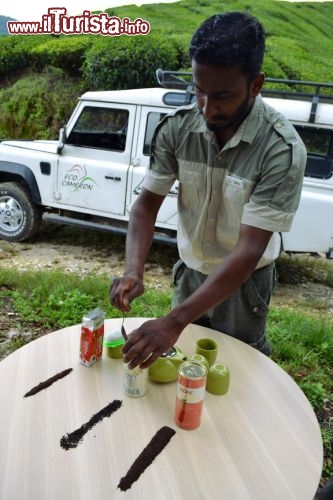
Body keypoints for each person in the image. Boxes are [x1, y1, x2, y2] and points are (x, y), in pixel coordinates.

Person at [110, 11, 307, 369]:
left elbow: (248, 252)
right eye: (199, 91)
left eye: (222, 96)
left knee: (235, 367)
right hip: (191, 271)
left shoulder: (281, 149)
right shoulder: (177, 130)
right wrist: (132, 270)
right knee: (181, 363)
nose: (207, 107)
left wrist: (173, 321)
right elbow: (145, 207)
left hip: (245, 284)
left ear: (256, 84)